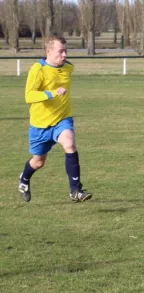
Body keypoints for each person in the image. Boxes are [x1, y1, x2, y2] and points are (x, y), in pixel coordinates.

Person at [18, 35, 92, 203]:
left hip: (62, 119)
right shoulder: (38, 69)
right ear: (48, 52)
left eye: (65, 51)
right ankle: (24, 178)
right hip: (40, 124)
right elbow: (29, 96)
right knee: (38, 162)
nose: (65, 55)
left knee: (69, 143)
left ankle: (75, 190)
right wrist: (52, 93)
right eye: (61, 51)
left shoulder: (68, 67)